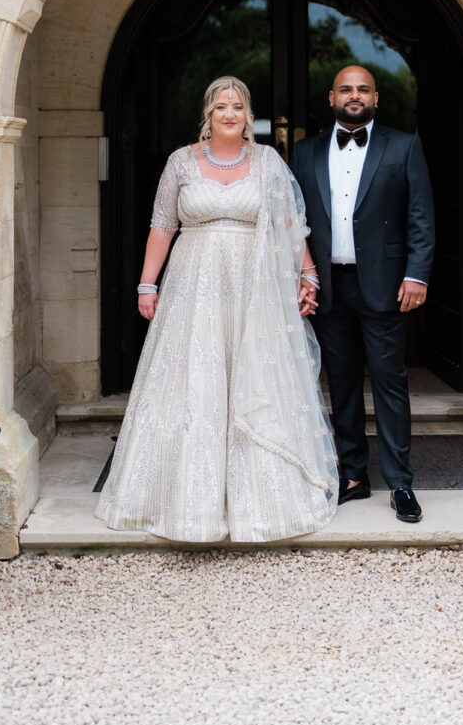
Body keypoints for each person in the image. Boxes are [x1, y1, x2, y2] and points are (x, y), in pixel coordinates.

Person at [95, 76, 338, 543]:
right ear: (208, 114)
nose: (229, 113)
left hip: (254, 288)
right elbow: (162, 226)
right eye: (221, 105)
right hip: (193, 288)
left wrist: (307, 273)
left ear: (249, 115)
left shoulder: (268, 162)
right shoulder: (180, 162)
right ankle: (188, 506)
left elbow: (291, 224)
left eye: (238, 106)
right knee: (193, 383)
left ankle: (263, 505)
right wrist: (147, 282)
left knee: (255, 380)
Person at [291, 65, 435, 524]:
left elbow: (421, 217)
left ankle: (401, 482)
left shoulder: (404, 145)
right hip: (329, 286)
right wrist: (301, 277)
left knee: (390, 383)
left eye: (363, 90)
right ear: (332, 96)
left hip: (386, 284)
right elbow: (291, 222)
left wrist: (418, 275)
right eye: (346, 89)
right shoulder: (303, 152)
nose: (355, 96)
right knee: (343, 384)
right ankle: (353, 475)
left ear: (376, 98)